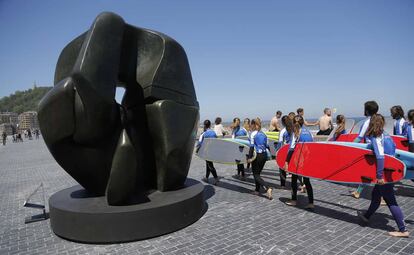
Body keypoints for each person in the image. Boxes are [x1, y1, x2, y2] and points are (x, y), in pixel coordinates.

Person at [357, 114, 409, 237]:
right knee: (376, 195)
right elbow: (394, 150)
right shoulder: (386, 135)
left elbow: (380, 156)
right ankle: (367, 216)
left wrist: (379, 176)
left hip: (385, 173)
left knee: (391, 201)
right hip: (389, 170)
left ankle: (403, 230)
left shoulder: (377, 137)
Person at [282, 115, 314, 208]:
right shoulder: (309, 132)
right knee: (307, 181)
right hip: (307, 159)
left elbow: (291, 148)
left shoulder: (295, 132)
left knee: (294, 180)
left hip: (298, 159)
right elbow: (313, 146)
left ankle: (294, 200)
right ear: (303, 122)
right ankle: (311, 203)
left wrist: (287, 162)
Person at [351, 101, 379, 199]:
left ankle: (383, 198)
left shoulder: (367, 122)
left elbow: (359, 137)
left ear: (366, 110)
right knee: (373, 172)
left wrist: (349, 147)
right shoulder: (379, 120)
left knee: (368, 172)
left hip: (370, 150)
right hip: (378, 149)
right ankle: (358, 192)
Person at [247, 118, 273, 200]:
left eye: (251, 124)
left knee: (256, 174)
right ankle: (257, 190)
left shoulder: (253, 134)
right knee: (257, 173)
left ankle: (268, 187)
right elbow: (267, 146)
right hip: (264, 155)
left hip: (257, 156)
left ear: (253, 125)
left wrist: (249, 157)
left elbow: (251, 147)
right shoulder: (264, 133)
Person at [197, 120, 219, 185]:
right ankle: (206, 177)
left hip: (207, 152)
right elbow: (217, 141)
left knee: (210, 165)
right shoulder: (213, 133)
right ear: (210, 125)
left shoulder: (203, 134)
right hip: (213, 151)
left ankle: (216, 178)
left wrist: (197, 151)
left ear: (204, 125)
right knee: (208, 164)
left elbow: (199, 144)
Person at [276, 115, 292, 188]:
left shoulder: (283, 131)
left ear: (282, 123)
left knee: (282, 168)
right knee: (294, 167)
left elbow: (280, 143)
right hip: (293, 150)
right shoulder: (294, 129)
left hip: (285, 151)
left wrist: (277, 152)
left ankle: (283, 184)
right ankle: (301, 184)